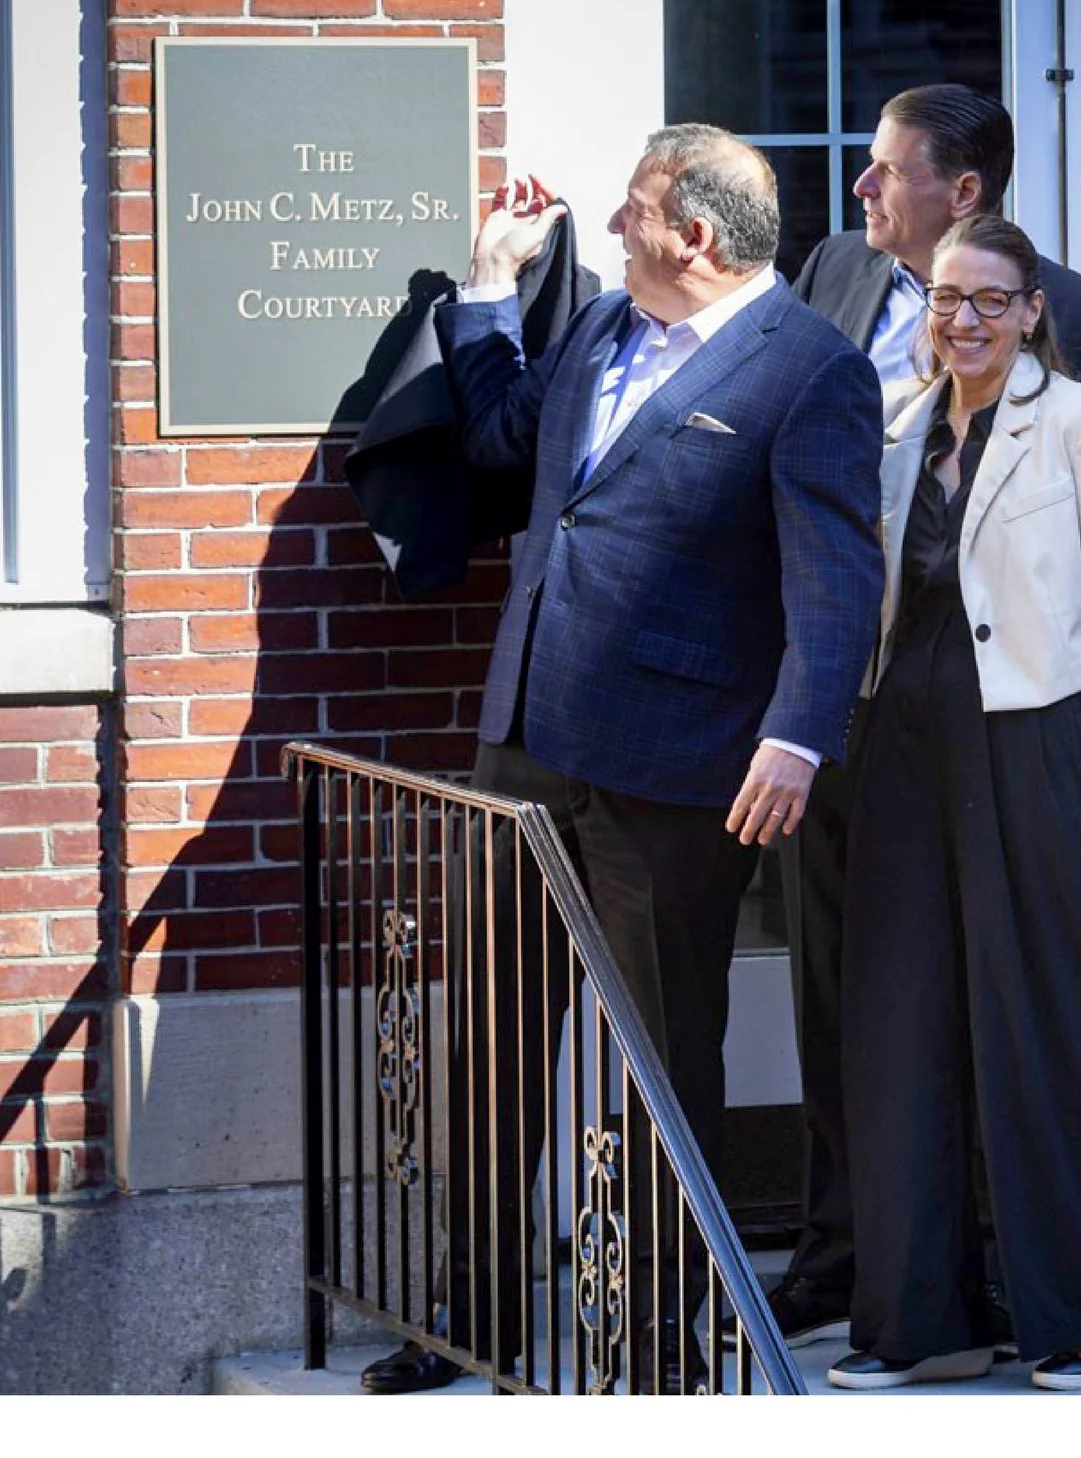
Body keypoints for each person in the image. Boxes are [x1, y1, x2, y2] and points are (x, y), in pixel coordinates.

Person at [359, 127, 884, 1394]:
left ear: (694, 237)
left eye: (635, 208)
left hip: (676, 764)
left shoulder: (809, 372)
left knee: (659, 1053)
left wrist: (798, 731)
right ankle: (470, 1310)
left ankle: (654, 1320)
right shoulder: (598, 332)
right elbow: (496, 437)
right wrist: (488, 285)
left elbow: (838, 572)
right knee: (489, 1035)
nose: (613, 221)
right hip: (526, 735)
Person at [766, 82, 1081, 1346]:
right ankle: (872, 1276)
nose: (859, 189)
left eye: (885, 167)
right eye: (948, 303)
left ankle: (1036, 1285)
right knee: (870, 1007)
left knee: (1024, 1012)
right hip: (868, 731)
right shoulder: (847, 310)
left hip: (1028, 740)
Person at [825, 215, 1081, 1391]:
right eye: (944, 299)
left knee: (1053, 1030)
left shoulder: (1080, 421)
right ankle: (926, 1320)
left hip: (1044, 745)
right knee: (903, 1028)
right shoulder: (896, 424)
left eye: (989, 299)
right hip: (905, 748)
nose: (961, 319)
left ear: (1033, 311)